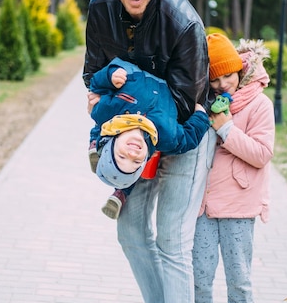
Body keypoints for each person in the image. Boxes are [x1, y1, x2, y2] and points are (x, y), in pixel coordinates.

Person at [83, 0, 215, 303]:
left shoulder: (184, 22)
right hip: (135, 130)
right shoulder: (100, 9)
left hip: (184, 134)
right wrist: (117, 121)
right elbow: (91, 75)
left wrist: (129, 103)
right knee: (131, 228)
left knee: (173, 242)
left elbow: (185, 105)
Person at [190, 34, 275, 303]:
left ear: (240, 69)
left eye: (228, 74)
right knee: (200, 270)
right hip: (205, 205)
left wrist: (226, 129)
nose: (222, 83)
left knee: (239, 272)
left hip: (239, 204)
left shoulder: (259, 105)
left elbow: (262, 154)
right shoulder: (204, 104)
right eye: (214, 78)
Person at [88, 57, 210, 219]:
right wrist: (201, 115)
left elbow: (95, 84)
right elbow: (189, 139)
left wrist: (110, 76)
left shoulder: (106, 112)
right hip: (169, 76)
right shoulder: (166, 138)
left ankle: (94, 144)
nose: (132, 155)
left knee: (99, 124)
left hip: (135, 65)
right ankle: (121, 191)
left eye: (122, 156)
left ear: (112, 144)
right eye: (136, 162)